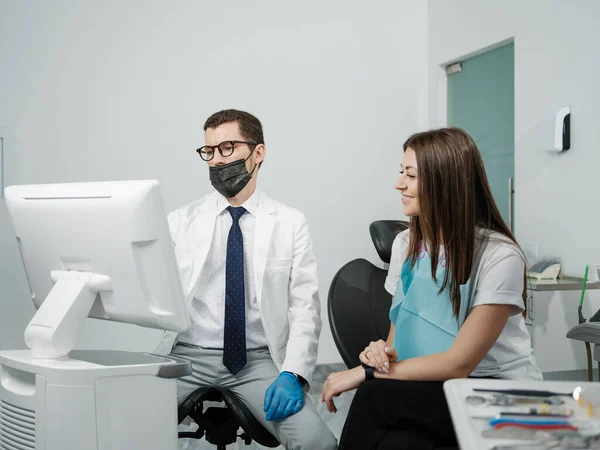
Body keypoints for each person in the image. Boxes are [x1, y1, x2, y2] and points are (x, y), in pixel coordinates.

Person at [321, 127, 542, 450]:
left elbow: (459, 363)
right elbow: (399, 342)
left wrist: (365, 374)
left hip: (497, 391)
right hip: (436, 388)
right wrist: (381, 354)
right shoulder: (406, 245)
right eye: (401, 173)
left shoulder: (499, 256)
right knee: (395, 441)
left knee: (374, 395)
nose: (399, 184)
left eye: (410, 175)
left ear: (445, 183)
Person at [155, 109, 337, 450]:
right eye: (209, 151)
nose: (218, 161)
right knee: (114, 427)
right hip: (186, 356)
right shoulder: (180, 222)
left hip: (257, 359)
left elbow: (304, 309)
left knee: (319, 443)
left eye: (227, 148)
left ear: (258, 153)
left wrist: (293, 373)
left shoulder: (290, 222)